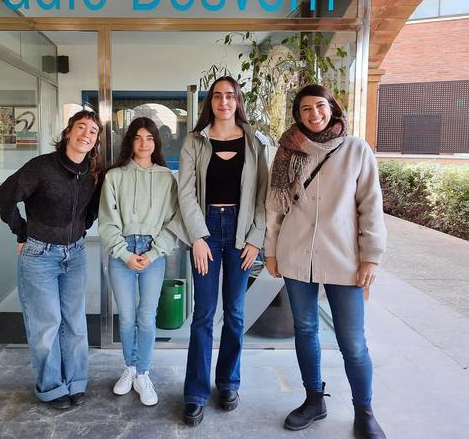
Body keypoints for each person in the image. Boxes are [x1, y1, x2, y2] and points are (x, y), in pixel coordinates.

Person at [265, 84, 387, 438]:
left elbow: (370, 206)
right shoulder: (287, 151)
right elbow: (274, 208)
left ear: (332, 109)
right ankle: (313, 399)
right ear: (297, 115)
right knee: (304, 330)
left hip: (344, 258)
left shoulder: (356, 149)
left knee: (352, 341)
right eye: (305, 109)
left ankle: (364, 411)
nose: (313, 113)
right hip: (296, 254)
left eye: (320, 106)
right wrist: (271, 251)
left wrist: (372, 257)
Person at [0, 110, 103, 410]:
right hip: (39, 256)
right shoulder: (42, 166)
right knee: (47, 325)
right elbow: (4, 197)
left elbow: (90, 209)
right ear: (68, 132)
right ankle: (52, 386)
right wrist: (22, 231)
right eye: (81, 127)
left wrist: (81, 228)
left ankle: (76, 381)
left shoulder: (91, 173)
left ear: (95, 142)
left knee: (75, 323)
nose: (86, 134)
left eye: (93, 131)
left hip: (76, 255)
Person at [175, 76, 268, 426]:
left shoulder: (255, 141)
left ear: (238, 100)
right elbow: (185, 192)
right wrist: (198, 237)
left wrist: (256, 238)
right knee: (203, 316)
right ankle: (195, 392)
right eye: (218, 96)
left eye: (230, 96)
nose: (224, 102)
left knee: (236, 314)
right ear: (210, 102)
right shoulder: (194, 141)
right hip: (208, 230)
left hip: (242, 232)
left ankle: (228, 382)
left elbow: (264, 193)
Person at [98, 117, 178, 406]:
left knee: (146, 317)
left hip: (152, 252)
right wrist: (125, 253)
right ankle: (129, 368)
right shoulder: (114, 176)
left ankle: (143, 373)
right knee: (127, 316)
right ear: (130, 141)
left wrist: (153, 253)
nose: (144, 143)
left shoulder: (166, 178)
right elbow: (107, 222)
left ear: (156, 143)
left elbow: (173, 222)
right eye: (138, 137)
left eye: (150, 138)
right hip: (123, 252)